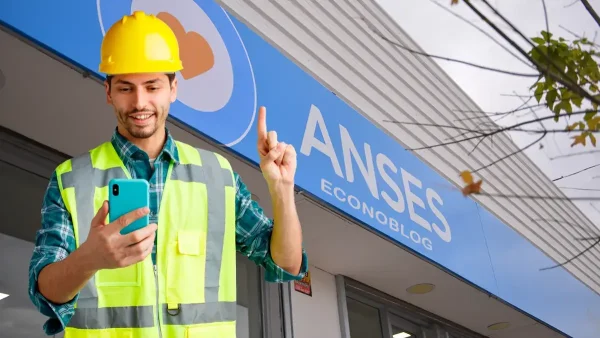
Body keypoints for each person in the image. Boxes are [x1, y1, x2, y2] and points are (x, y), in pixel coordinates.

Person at [27, 10, 308, 338]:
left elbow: (285, 265)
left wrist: (282, 189)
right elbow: (44, 292)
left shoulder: (217, 176)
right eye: (126, 88)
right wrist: (88, 259)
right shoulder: (71, 179)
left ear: (173, 88)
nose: (140, 101)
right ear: (108, 92)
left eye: (152, 86)